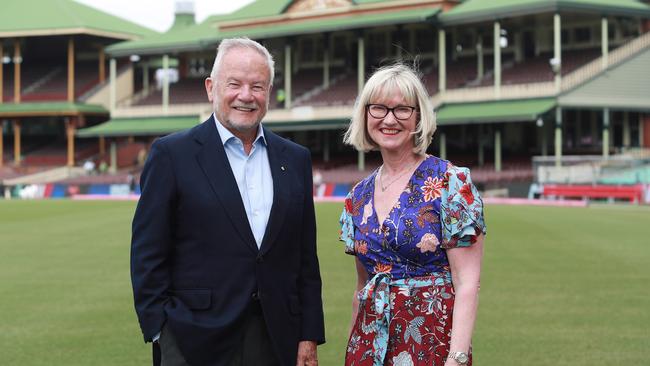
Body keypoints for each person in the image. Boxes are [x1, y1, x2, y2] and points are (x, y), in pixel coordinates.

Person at [131, 38, 325, 366]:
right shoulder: (171, 155)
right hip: (193, 341)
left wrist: (309, 334)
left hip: (278, 340)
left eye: (257, 86)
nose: (246, 96)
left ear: (270, 92)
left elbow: (305, 259)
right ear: (211, 88)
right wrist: (160, 332)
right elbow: (147, 255)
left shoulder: (295, 159)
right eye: (234, 84)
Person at [339, 64, 486, 366]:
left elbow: (467, 282)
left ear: (418, 116)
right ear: (365, 115)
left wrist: (457, 358)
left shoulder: (449, 182)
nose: (389, 119)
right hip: (369, 349)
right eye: (378, 108)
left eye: (402, 109)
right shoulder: (358, 197)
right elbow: (362, 287)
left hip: (431, 346)